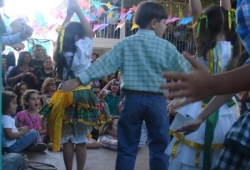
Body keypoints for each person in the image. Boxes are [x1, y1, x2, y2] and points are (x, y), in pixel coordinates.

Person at [60, 1, 191, 170]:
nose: (166, 27)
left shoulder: (125, 44)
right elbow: (186, 70)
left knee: (127, 146)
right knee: (160, 146)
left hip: (132, 100)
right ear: (154, 22)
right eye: (165, 23)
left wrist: (79, 80)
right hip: (157, 101)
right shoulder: (166, 46)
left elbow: (103, 65)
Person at [160, 0, 250, 169]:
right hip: (225, 109)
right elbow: (226, 10)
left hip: (199, 106)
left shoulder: (203, 45)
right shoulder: (236, 48)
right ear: (229, 22)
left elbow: (195, 12)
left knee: (191, 152)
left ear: (204, 24)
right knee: (223, 151)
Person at [39, 1, 111, 170]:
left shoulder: (61, 52)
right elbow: (90, 32)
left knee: (68, 140)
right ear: (78, 37)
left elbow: (60, 36)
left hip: (63, 96)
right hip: (83, 95)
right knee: (81, 141)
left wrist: (68, 16)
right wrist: (77, 11)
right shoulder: (83, 48)